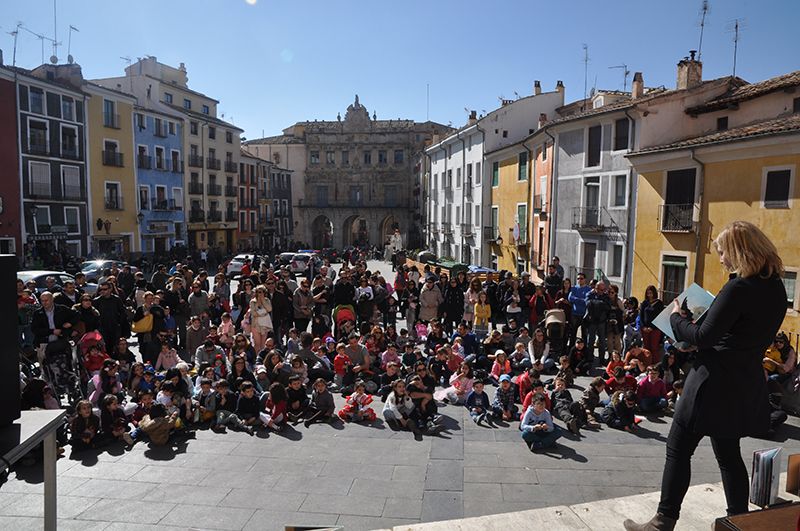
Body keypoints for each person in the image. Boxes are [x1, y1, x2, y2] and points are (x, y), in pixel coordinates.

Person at [624, 221, 788, 531]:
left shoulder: (738, 287)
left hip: (711, 382)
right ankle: (738, 522)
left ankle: (663, 521)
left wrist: (675, 318)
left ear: (740, 252)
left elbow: (702, 337)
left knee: (678, 448)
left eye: (725, 252)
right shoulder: (776, 288)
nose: (722, 259)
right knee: (728, 455)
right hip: (743, 382)